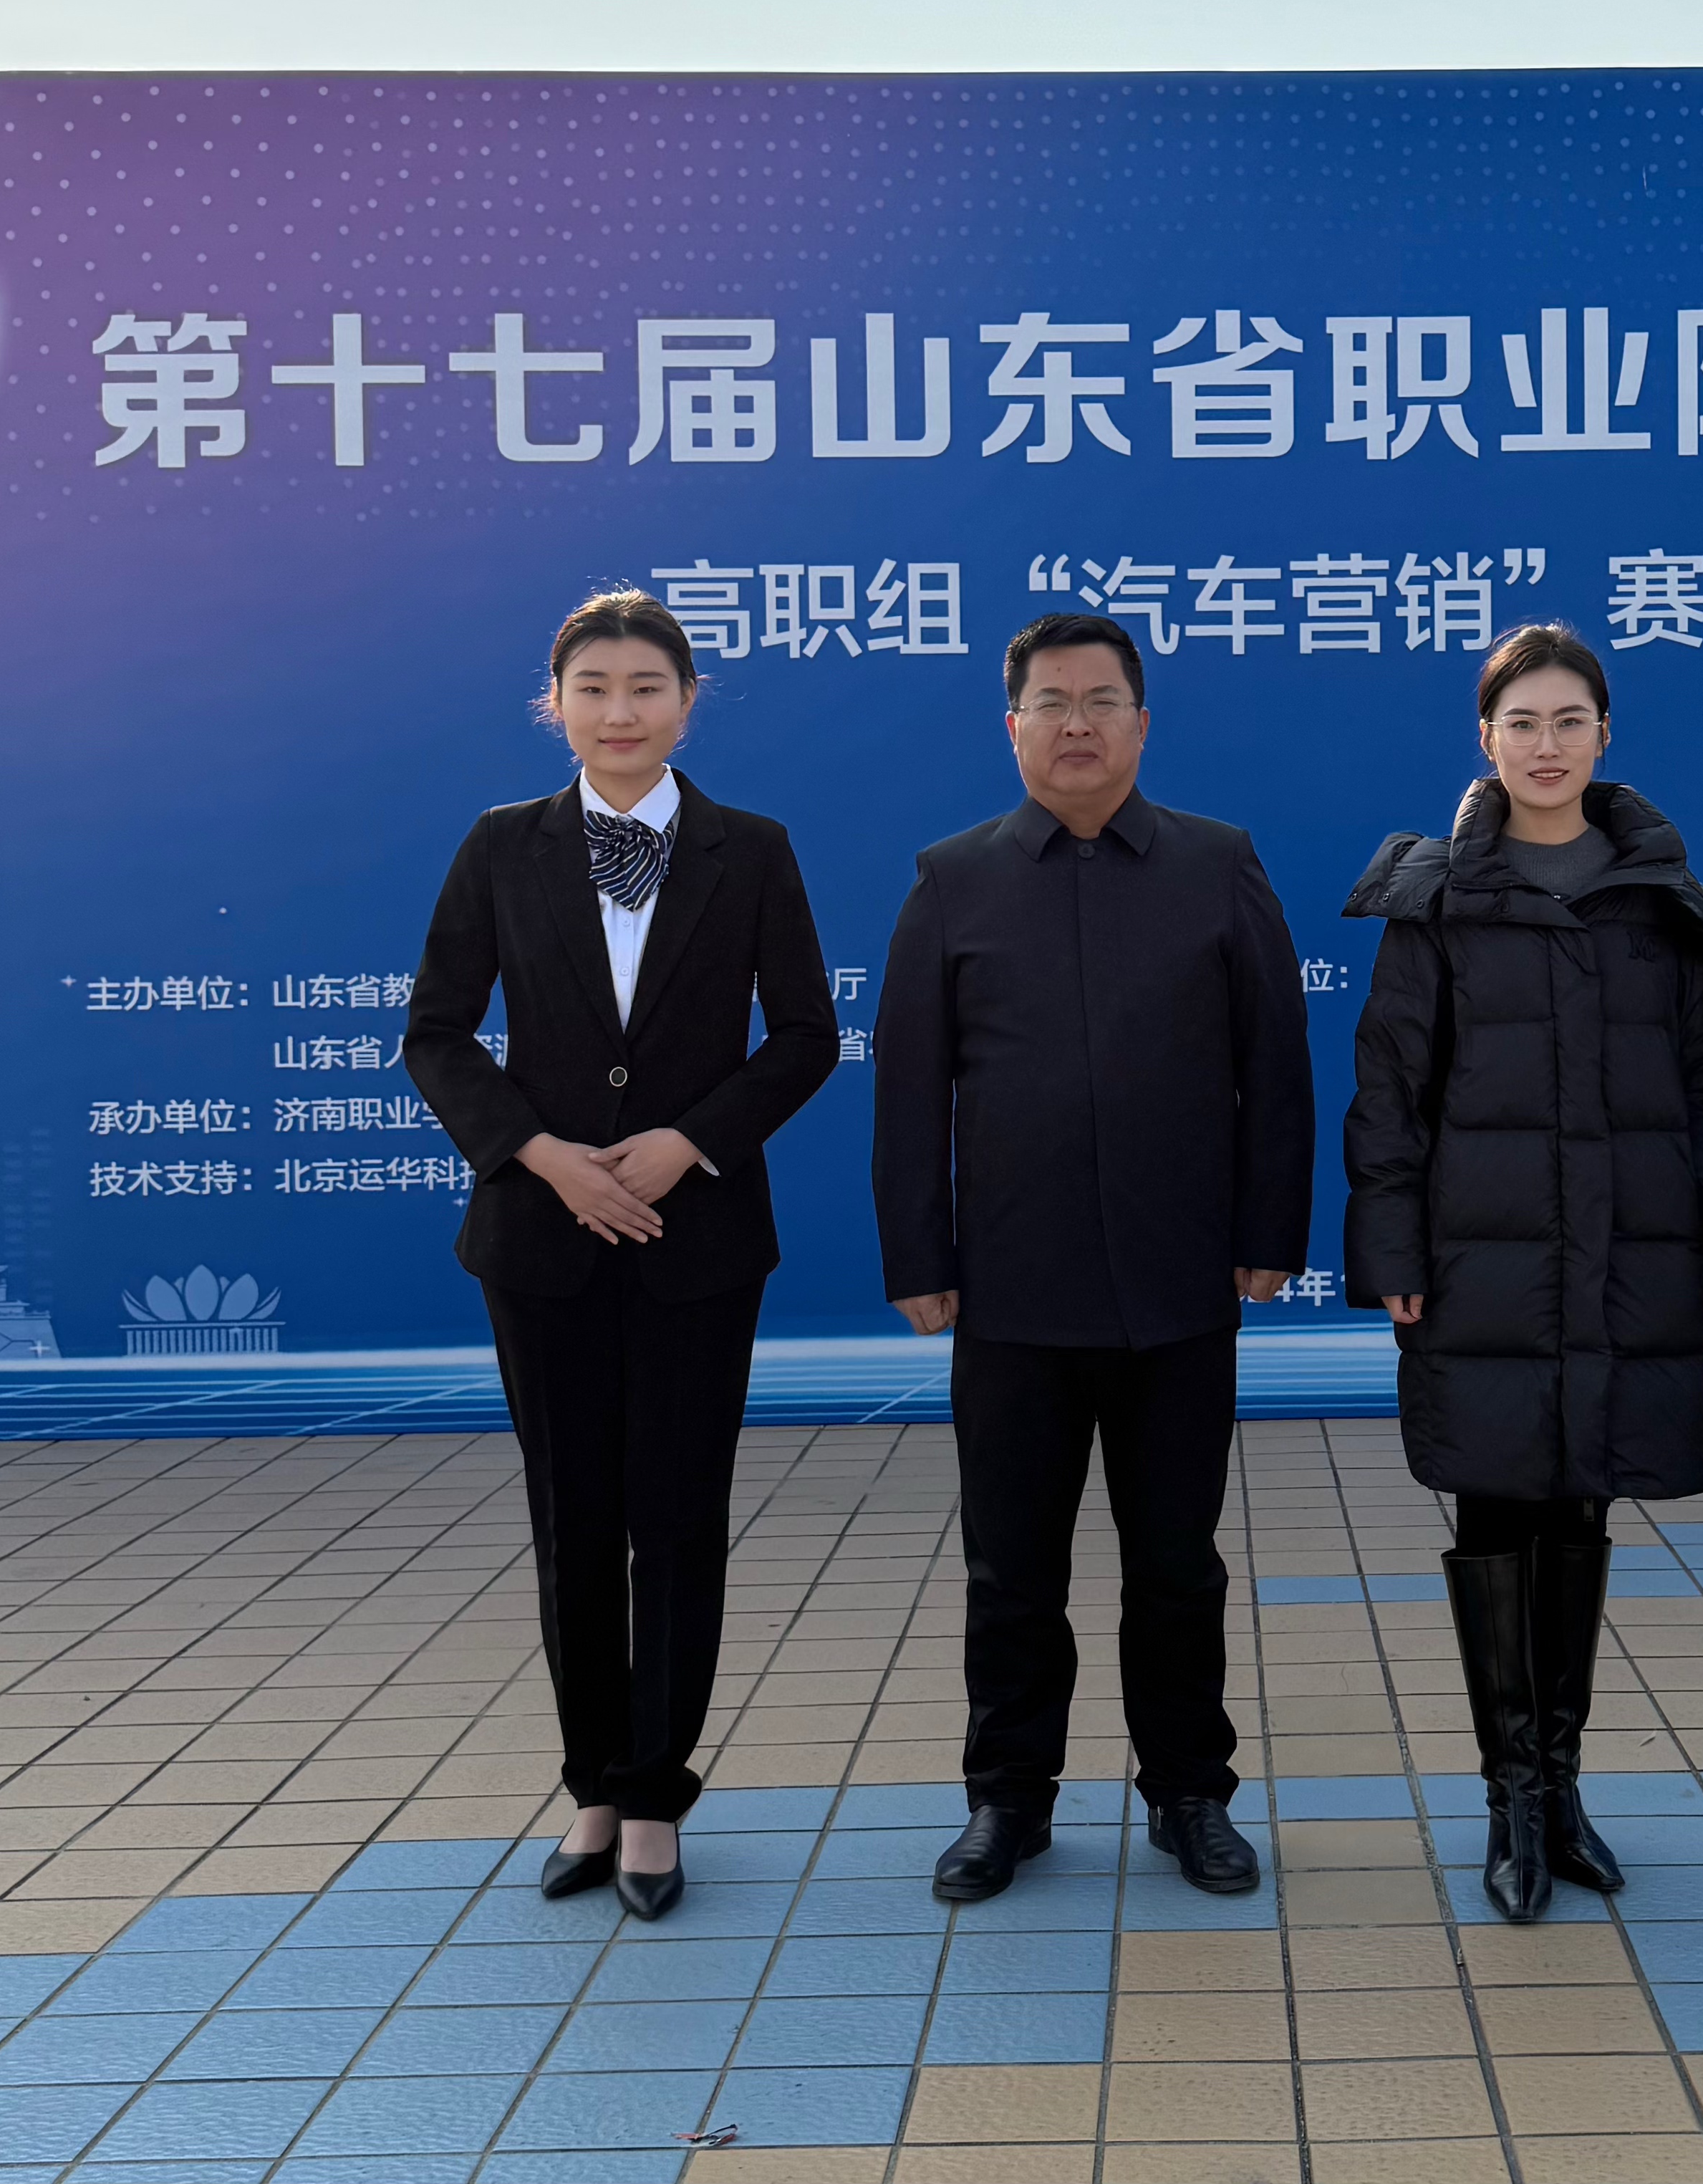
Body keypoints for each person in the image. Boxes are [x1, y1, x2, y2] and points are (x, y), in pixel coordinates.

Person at [405, 589, 837, 1921]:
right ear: (557, 705)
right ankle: (591, 1782)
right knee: (573, 1525)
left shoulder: (750, 848)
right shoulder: (501, 844)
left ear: (687, 701)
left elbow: (805, 1036)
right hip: (540, 1240)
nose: (620, 710)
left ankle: (654, 1794)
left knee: (680, 1521)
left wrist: (687, 1143)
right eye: (592, 687)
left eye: (646, 685)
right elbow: (437, 1032)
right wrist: (541, 1153)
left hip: (696, 1239)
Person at [873, 612, 1314, 1903]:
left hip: (1180, 1285)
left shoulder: (1217, 864)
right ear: (1012, 725)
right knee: (1012, 1568)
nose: (1077, 723)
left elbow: (1274, 1064)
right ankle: (1007, 1798)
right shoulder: (951, 879)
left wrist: (1268, 1235)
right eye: (1052, 702)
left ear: (1140, 723)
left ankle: (1189, 1792)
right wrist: (919, 1253)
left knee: (1175, 1562)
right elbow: (910, 1092)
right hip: (1012, 1290)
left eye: (1102, 700)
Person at [1343, 624, 1703, 1923]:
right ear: (1486, 739)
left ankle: (1563, 1791)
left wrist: (1696, 1213)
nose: (1546, 744)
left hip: (1625, 1257)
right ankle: (1508, 1798)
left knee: (1582, 1507)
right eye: (1521, 721)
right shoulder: (1435, 900)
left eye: (1570, 719)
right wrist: (1393, 1249)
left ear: (1603, 735)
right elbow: (1388, 1091)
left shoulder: (1660, 903)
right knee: (1493, 1509)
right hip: (1483, 1260)